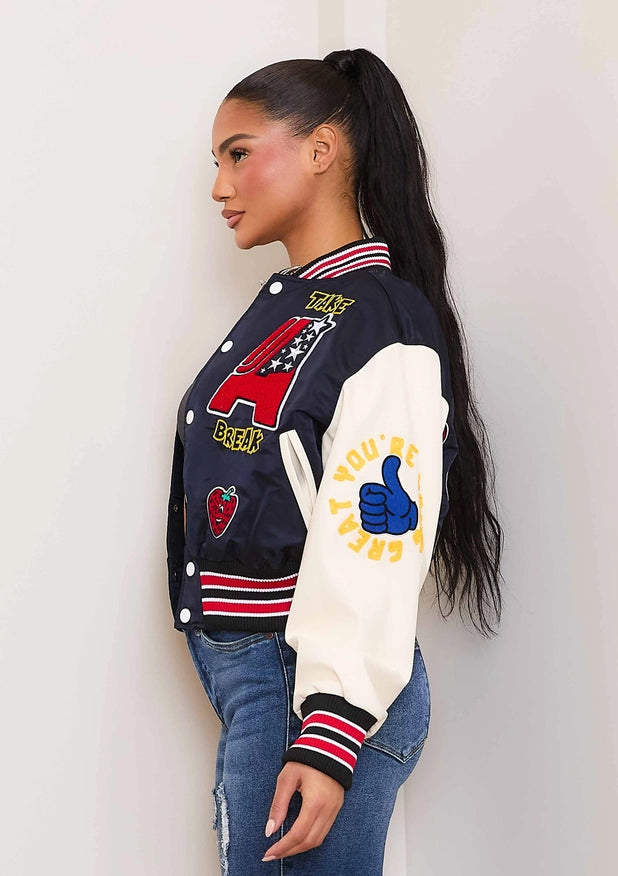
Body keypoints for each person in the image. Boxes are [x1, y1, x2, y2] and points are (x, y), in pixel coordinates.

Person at [165, 47, 504, 875]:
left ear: (320, 149)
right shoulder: (298, 307)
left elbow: (377, 532)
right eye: (217, 162)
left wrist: (328, 733)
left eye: (238, 154)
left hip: (310, 694)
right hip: (266, 688)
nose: (219, 186)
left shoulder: (378, 320)